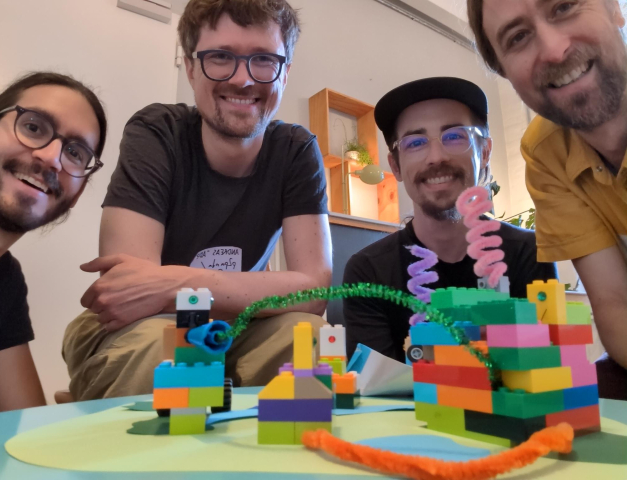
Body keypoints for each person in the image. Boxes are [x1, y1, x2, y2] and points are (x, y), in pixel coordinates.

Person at [63, 0, 332, 400]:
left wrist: (178, 282)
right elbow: (130, 291)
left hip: (239, 325)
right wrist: (250, 291)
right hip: (144, 326)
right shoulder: (157, 132)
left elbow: (313, 292)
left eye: (263, 60)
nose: (242, 79)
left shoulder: (296, 150)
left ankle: (275, 439)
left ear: (285, 72)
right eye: (220, 57)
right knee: (164, 351)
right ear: (190, 67)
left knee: (308, 337)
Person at [468, 0, 627, 399]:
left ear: (614, 7)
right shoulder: (545, 152)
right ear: (505, 72)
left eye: (564, 6)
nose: (555, 50)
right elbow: (615, 304)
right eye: (518, 37)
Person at [343, 77, 557, 362]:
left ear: (485, 152)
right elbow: (377, 386)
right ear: (396, 166)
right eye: (415, 142)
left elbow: (541, 369)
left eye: (455, 136)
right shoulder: (368, 272)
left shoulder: (528, 253)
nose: (436, 157)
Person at [0, 72, 107, 413]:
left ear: (77, 194)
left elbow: (21, 429)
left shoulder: (4, 283)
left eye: (75, 152)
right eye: (33, 127)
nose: (52, 157)